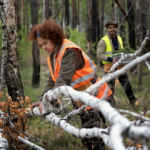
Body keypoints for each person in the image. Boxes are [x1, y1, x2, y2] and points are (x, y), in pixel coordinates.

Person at [28, 19, 113, 150]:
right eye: (41, 45)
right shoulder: (53, 55)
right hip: (82, 98)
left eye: (45, 43)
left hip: (97, 94)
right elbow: (53, 79)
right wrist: (42, 100)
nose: (43, 47)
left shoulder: (68, 50)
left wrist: (48, 101)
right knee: (88, 138)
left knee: (94, 139)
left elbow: (63, 80)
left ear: (53, 37)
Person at [97, 20, 138, 107]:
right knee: (110, 88)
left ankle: (133, 102)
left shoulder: (119, 38)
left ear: (116, 28)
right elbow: (99, 55)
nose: (112, 29)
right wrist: (111, 59)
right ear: (107, 29)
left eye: (114, 27)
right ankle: (110, 106)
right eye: (110, 27)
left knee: (127, 84)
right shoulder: (103, 40)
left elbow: (121, 52)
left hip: (120, 65)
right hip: (109, 66)